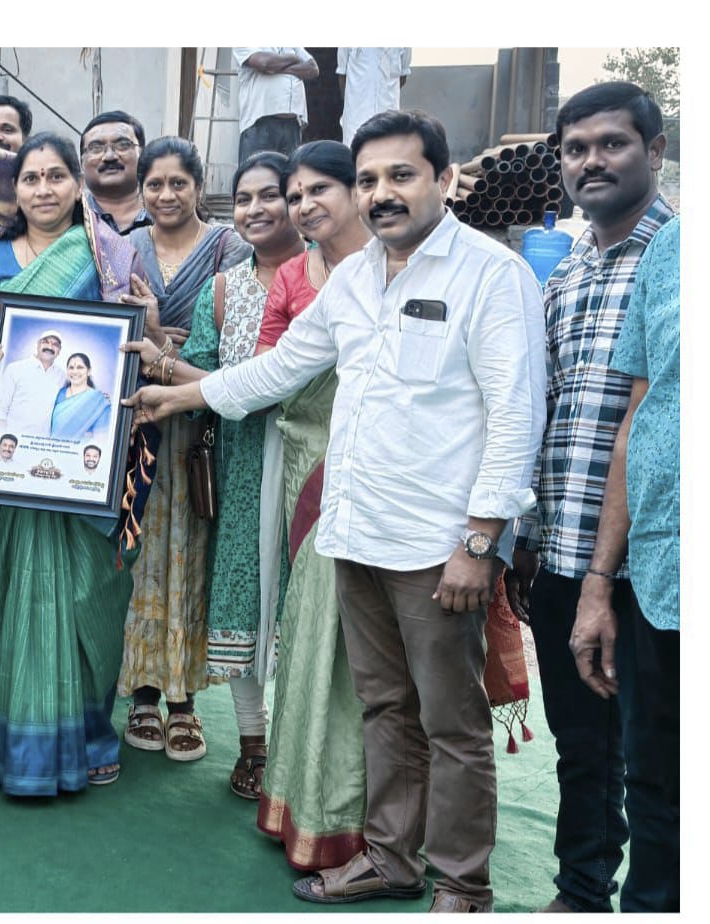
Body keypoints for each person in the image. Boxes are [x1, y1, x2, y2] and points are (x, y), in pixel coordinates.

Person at [126, 110, 545, 913]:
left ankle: (464, 884)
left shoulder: (492, 275)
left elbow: (515, 416)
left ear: (445, 179)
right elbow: (281, 369)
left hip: (436, 545)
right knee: (385, 708)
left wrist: (480, 541)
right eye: (371, 179)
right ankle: (390, 859)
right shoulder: (353, 278)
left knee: (450, 723)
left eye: (401, 176)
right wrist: (179, 394)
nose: (382, 193)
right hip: (353, 532)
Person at [509, 81, 673, 914]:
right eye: (576, 149)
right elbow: (546, 411)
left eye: (612, 143)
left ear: (655, 150)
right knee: (581, 744)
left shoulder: (674, 261)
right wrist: (526, 537)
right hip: (563, 550)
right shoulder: (565, 268)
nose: (591, 161)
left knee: (657, 758)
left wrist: (606, 577)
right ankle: (579, 893)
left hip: (650, 565)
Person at [0, 132, 148, 796]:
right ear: (14, 191)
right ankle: (29, 744)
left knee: (91, 594)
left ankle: (93, 731)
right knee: (27, 595)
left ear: (78, 185)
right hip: (20, 464)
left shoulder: (110, 254)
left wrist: (144, 321)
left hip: (91, 463)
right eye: (30, 178)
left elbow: (138, 342)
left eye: (55, 176)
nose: (43, 189)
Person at [130, 150, 301, 794]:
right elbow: (201, 372)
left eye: (270, 195)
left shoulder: (330, 278)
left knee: (303, 602)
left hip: (308, 460)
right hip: (238, 459)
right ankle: (254, 746)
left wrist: (174, 374)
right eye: (246, 198)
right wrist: (158, 350)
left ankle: (303, 747)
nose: (256, 209)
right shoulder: (223, 288)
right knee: (240, 596)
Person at [251, 140, 374, 872]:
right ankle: (307, 808)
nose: (303, 205)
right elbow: (272, 371)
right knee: (312, 633)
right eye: (295, 194)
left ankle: (371, 824)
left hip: (382, 483)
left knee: (366, 654)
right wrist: (182, 383)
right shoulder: (302, 276)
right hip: (307, 470)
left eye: (319, 189)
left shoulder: (395, 271)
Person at [118, 136, 250, 760]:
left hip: (201, 430)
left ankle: (184, 701)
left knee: (192, 556)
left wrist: (160, 344)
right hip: (135, 426)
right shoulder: (124, 248)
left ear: (199, 186)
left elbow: (235, 350)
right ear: (141, 189)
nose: (166, 194)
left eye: (178, 183)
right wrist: (150, 338)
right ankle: (142, 693)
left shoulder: (231, 249)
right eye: (155, 184)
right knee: (138, 554)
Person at [570, 214, 679, 914]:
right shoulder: (671, 251)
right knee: (656, 780)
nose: (589, 164)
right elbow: (638, 417)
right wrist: (600, 580)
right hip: (660, 569)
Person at [234, 48, 318, 162]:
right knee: (257, 171)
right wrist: (294, 58)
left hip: (292, 125)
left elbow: (313, 68)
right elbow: (264, 63)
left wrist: (277, 68)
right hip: (260, 123)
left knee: (289, 172)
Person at [80, 110, 150, 235]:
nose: (109, 156)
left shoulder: (164, 213)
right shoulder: (68, 218)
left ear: (143, 155)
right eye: (96, 148)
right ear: (82, 163)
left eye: (122, 145)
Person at [0, 329, 65, 436]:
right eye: (45, 342)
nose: (50, 347)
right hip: (13, 439)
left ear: (59, 351)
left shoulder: (62, 376)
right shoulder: (15, 368)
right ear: (37, 345)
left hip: (42, 442)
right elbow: (0, 410)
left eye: (55, 344)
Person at [337, 49, 410, 146]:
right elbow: (342, 75)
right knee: (355, 151)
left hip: (389, 117)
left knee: (388, 152)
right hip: (356, 119)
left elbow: (403, 76)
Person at [50, 352, 112, 440]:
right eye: (71, 368)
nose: (75, 371)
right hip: (53, 446)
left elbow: (101, 438)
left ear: (89, 371)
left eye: (80, 367)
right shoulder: (59, 393)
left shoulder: (99, 401)